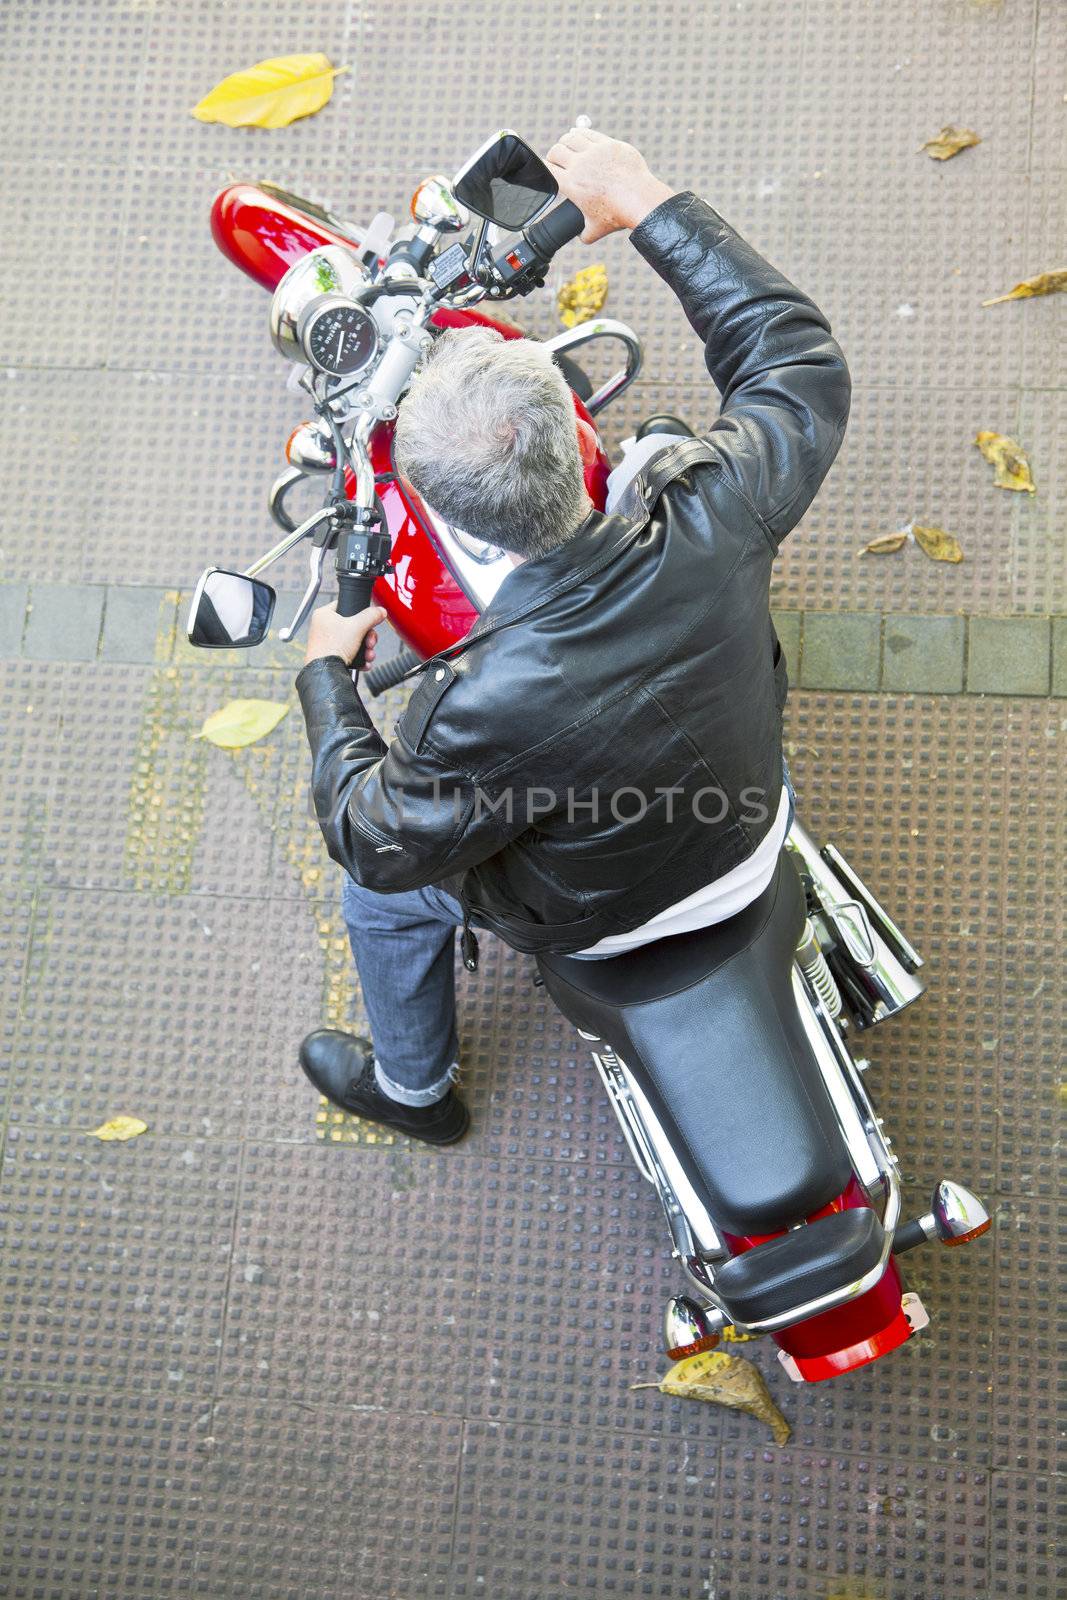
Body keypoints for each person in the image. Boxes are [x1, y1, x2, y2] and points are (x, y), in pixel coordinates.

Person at [294, 126, 850, 1146]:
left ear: (442, 504)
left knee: (380, 904)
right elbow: (793, 363)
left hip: (597, 918)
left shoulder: (467, 705)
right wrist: (644, 199)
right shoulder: (715, 520)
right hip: (750, 823)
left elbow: (374, 839)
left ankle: (412, 1090)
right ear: (567, 418)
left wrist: (327, 675)